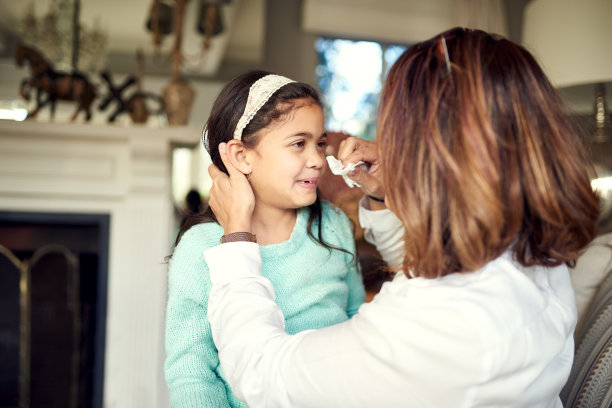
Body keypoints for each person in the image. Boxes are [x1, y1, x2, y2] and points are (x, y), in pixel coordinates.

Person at [203, 28, 601, 407]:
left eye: (398, 137)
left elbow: (259, 373)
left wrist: (237, 238)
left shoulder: (444, 330)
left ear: (432, 155)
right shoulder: (531, 254)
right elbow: (426, 272)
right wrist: (384, 194)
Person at [164, 70, 365, 407]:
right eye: (298, 144)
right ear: (241, 156)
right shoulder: (201, 247)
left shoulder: (331, 226)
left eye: (319, 143)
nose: (317, 160)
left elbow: (357, 322)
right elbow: (192, 374)